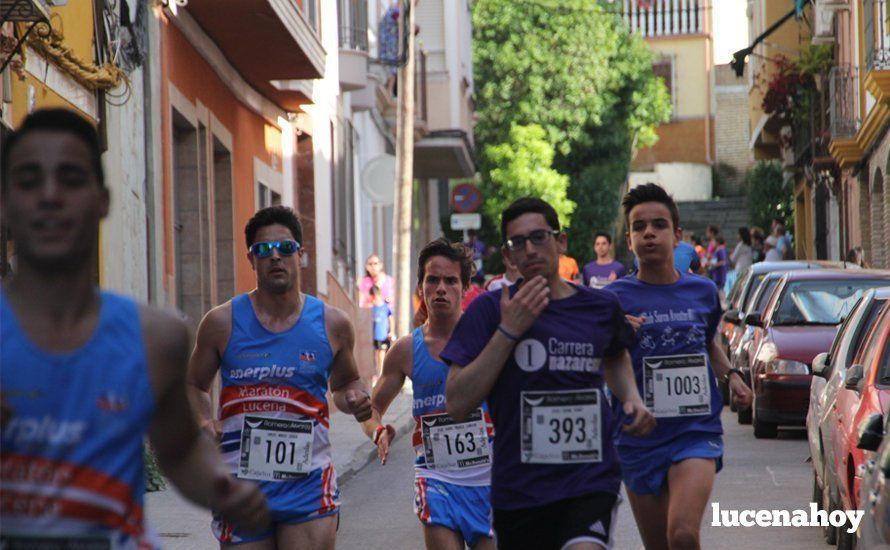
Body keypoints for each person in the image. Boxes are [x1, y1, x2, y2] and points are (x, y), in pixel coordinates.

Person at [0, 108, 270, 546]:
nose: (49, 195)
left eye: (69, 178)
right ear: (6, 201)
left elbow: (180, 450)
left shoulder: (155, 337)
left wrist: (222, 484)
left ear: (102, 199)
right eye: (29, 181)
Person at [442, 197, 655, 550]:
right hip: (520, 490)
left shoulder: (600, 307)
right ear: (508, 257)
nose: (529, 249)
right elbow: (457, 402)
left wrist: (631, 398)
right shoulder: (488, 312)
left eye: (539, 237)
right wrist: (508, 332)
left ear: (561, 242)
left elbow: (615, 357)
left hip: (590, 478)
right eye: (517, 243)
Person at [187, 205, 373, 548]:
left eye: (285, 248)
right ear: (251, 259)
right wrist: (201, 419)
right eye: (263, 250)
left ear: (300, 255)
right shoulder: (220, 322)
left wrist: (356, 400)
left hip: (308, 482)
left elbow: (347, 383)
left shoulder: (332, 324)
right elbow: (194, 385)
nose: (275, 257)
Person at [605, 183, 752, 550]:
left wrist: (731, 376)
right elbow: (600, 362)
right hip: (638, 437)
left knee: (683, 535)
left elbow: (707, 345)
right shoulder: (612, 300)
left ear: (678, 235)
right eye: (639, 227)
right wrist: (617, 334)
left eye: (659, 224)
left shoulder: (702, 292)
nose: (649, 233)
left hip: (694, 429)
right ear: (629, 240)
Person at [362, 238, 495, 550]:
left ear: (465, 288)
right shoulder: (405, 350)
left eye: (450, 280)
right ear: (420, 287)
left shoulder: (490, 341)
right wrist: (377, 431)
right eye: (432, 279)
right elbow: (372, 409)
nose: (440, 288)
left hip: (490, 482)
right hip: (436, 481)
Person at [370, 285, 394, 385]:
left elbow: (391, 319)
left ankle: (381, 376)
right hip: (375, 336)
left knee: (382, 355)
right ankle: (378, 375)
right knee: (376, 356)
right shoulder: (372, 308)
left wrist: (391, 331)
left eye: (374, 297)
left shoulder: (385, 307)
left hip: (383, 335)